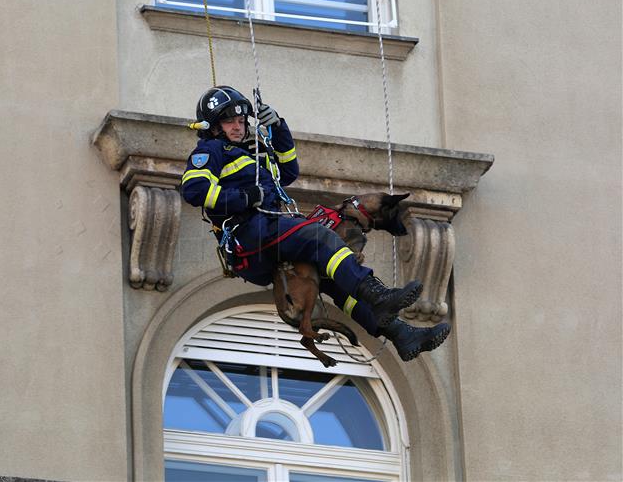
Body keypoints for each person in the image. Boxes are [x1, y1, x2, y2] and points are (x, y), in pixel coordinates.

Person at [181, 85, 450, 361]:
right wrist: (247, 196)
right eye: (229, 121)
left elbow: (288, 171)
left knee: (330, 279)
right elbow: (194, 191)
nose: (238, 127)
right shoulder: (212, 150)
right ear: (213, 126)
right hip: (247, 234)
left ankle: (402, 334)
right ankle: (378, 295)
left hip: (264, 231)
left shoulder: (251, 154)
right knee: (319, 237)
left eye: (241, 120)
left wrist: (279, 128)